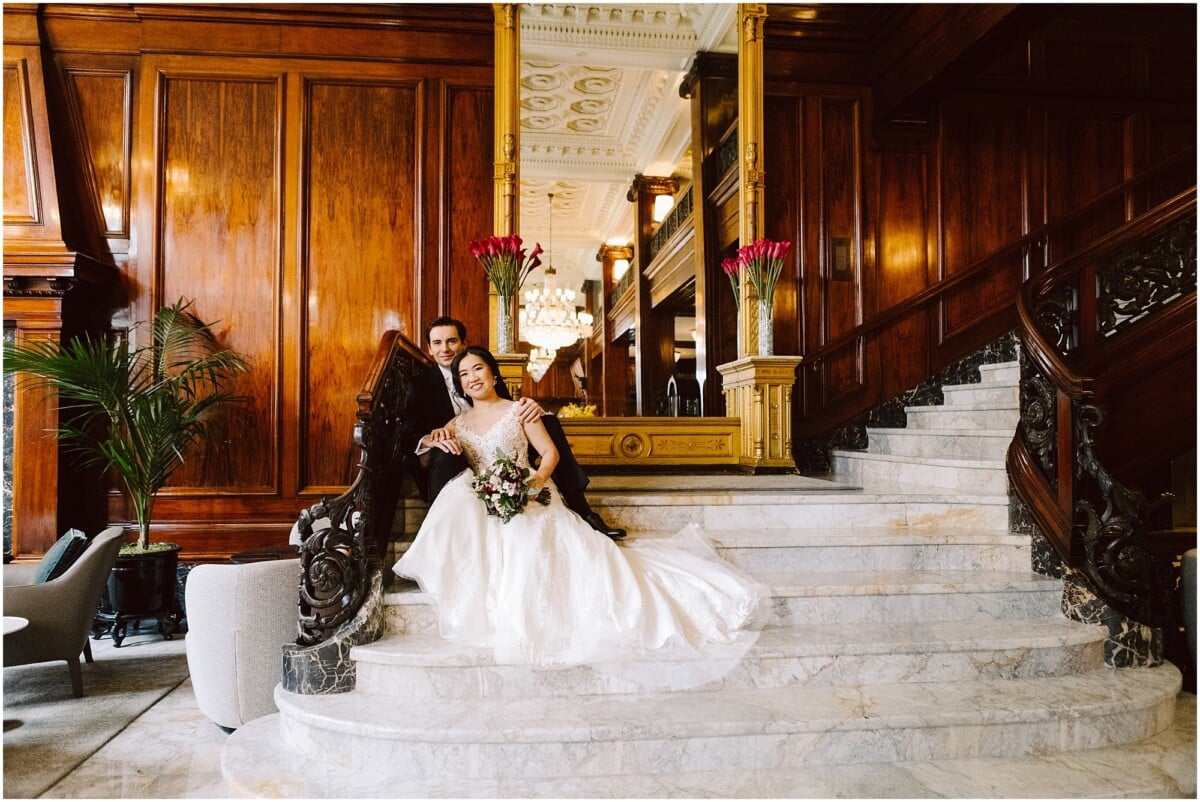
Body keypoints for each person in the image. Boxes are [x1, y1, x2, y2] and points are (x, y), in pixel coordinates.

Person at [393, 346, 764, 675]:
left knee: (526, 540)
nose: (471, 378)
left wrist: (532, 483)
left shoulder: (520, 410)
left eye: (477, 369)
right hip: (486, 497)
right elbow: (431, 452)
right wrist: (436, 438)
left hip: (527, 489)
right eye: (463, 374)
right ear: (458, 384)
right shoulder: (456, 423)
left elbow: (550, 454)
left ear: (492, 373)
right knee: (459, 502)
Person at [402, 316, 625, 540]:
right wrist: (432, 437)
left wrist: (533, 408)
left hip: (504, 458)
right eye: (437, 343)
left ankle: (582, 509)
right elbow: (410, 432)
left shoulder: (484, 374)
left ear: (463, 343)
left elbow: (507, 411)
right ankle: (442, 527)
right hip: (456, 460)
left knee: (549, 423)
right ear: (429, 349)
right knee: (446, 453)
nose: (445, 349)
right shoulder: (419, 384)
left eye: (451, 341)